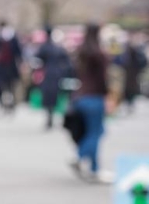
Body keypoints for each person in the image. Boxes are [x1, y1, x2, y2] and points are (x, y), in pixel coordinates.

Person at [69, 22, 111, 183]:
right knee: (96, 133)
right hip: (94, 98)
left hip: (80, 97)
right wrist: (108, 97)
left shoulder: (81, 52)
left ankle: (94, 168)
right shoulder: (98, 54)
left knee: (92, 133)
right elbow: (103, 80)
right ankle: (81, 158)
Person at [35, 26, 73, 129]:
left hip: (47, 74)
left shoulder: (44, 47)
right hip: (58, 74)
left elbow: (37, 61)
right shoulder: (58, 47)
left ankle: (50, 116)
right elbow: (67, 62)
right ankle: (52, 115)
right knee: (55, 95)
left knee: (48, 95)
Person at [0, 19, 23, 113]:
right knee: (8, 86)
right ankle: (8, 104)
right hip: (9, 66)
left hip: (3, 66)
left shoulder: (1, 38)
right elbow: (19, 52)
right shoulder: (11, 37)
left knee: (4, 86)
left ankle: (6, 104)